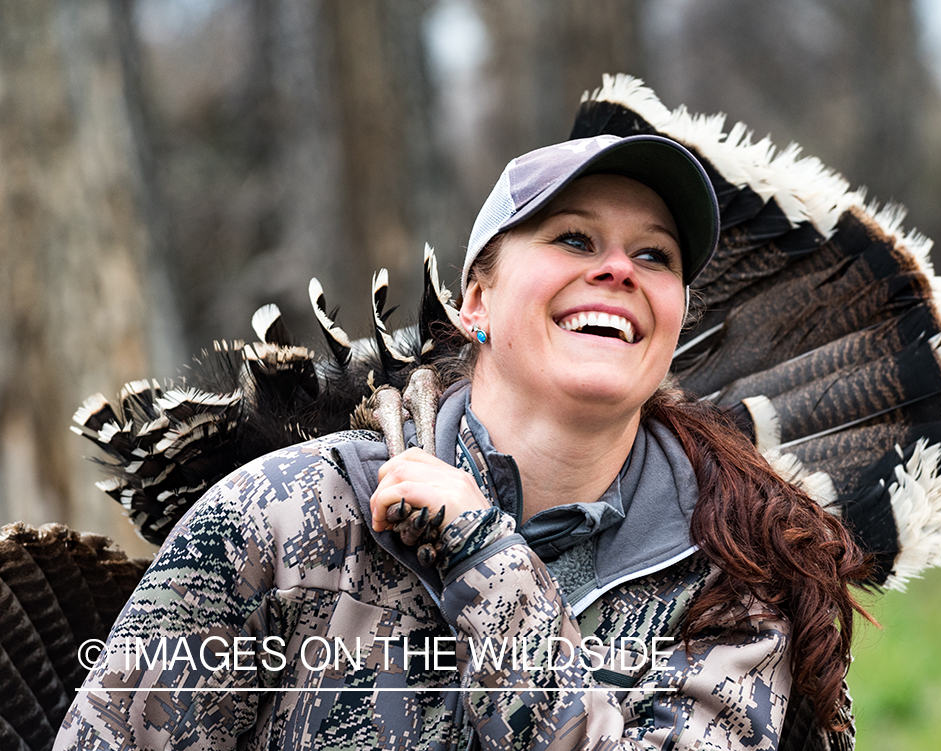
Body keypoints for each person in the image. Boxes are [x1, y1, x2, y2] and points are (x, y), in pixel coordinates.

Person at [54, 134, 870, 750]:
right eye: (574, 240)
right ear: (474, 299)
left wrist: (484, 556)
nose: (618, 268)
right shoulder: (284, 512)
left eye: (653, 255)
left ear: (675, 320)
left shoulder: (734, 582)